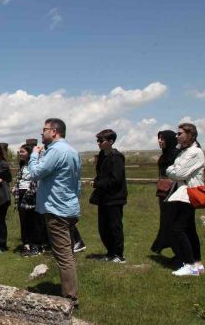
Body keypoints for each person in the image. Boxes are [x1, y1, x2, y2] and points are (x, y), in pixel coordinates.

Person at [28, 118, 81, 304]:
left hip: (56, 209)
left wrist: (34, 155)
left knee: (63, 255)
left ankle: (69, 298)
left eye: (44, 130)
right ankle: (70, 290)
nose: (41, 133)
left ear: (54, 132)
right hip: (69, 207)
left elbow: (35, 174)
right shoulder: (73, 151)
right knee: (68, 252)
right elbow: (76, 182)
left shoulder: (56, 151)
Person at [166, 123, 205, 276]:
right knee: (189, 230)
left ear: (190, 135)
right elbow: (175, 169)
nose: (177, 136)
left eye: (180, 133)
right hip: (183, 193)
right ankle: (197, 263)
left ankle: (189, 264)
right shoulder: (184, 151)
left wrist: (171, 170)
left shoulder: (194, 152)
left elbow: (178, 173)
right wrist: (173, 169)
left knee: (178, 228)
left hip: (187, 194)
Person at [90, 129, 128, 263]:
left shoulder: (116, 157)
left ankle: (119, 254)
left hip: (115, 197)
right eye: (98, 141)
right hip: (103, 197)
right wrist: (97, 182)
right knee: (103, 227)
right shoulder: (102, 155)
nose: (99, 143)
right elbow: (101, 174)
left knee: (114, 226)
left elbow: (116, 179)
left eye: (101, 141)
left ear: (111, 141)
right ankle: (110, 252)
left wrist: (97, 184)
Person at [13, 144, 46, 257]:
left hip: (32, 193)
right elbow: (20, 178)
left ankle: (37, 245)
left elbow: (37, 178)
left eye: (22, 152)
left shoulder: (37, 163)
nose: (20, 154)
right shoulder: (22, 164)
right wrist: (15, 187)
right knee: (24, 220)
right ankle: (26, 244)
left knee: (35, 220)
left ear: (29, 152)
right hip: (21, 194)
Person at [151, 130, 179, 255]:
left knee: (173, 221)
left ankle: (178, 251)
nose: (160, 141)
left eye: (163, 138)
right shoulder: (163, 155)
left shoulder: (177, 154)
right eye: (159, 138)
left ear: (170, 140)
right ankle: (163, 243)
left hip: (174, 192)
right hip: (163, 192)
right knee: (165, 219)